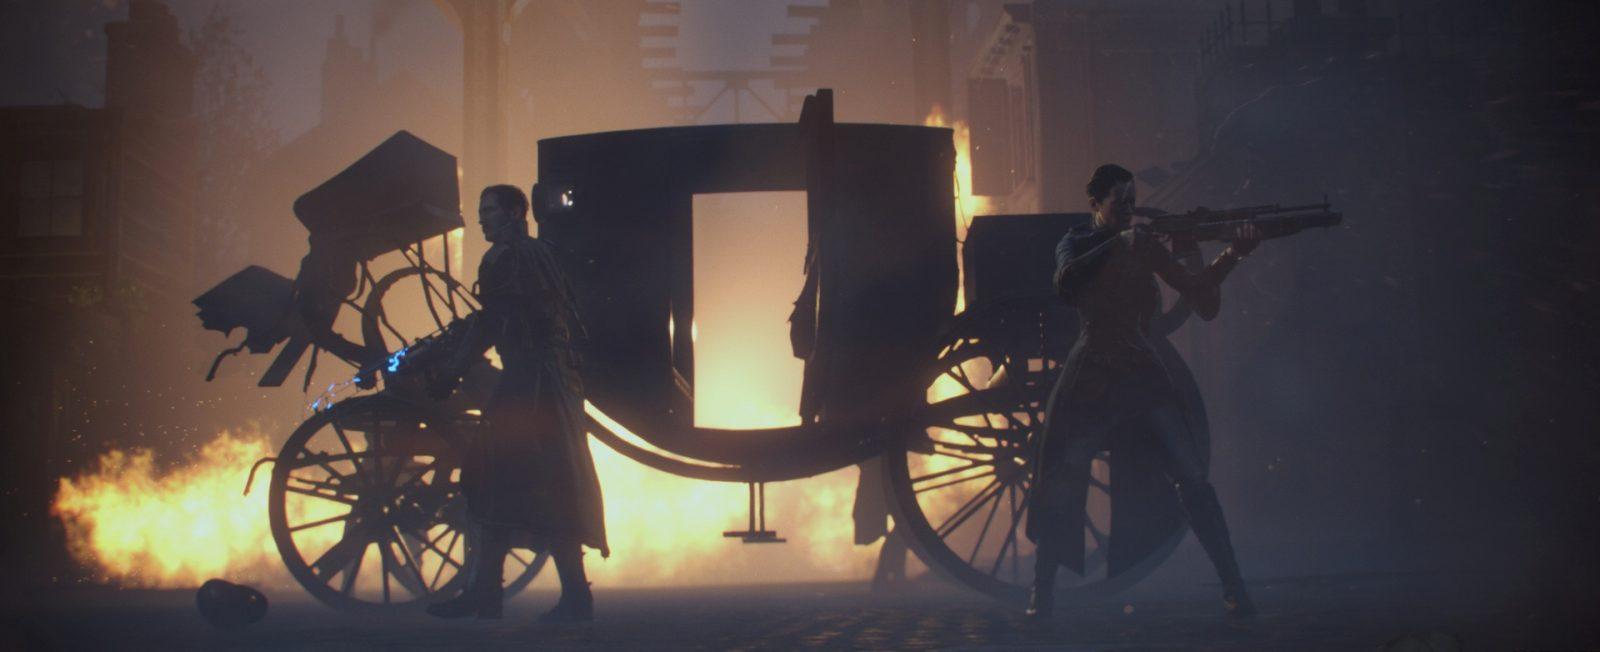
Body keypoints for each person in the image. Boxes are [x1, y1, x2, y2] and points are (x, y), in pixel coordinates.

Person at [1025, 164, 1260, 619]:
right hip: (1091, 375)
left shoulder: (1143, 244)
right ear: (1096, 204)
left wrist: (1234, 252)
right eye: (1120, 202)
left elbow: (1202, 299)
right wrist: (1119, 245)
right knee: (1061, 479)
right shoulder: (1077, 241)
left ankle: (1234, 587)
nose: (1129, 209)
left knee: (1193, 477)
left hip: (1140, 371)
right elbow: (1066, 283)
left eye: (1132, 202)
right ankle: (1042, 591)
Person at [425, 184, 608, 623]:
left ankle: (507, 594)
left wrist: (450, 370)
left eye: (489, 210)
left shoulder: (505, 259)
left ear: (512, 213)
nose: (482, 219)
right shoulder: (540, 254)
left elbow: (494, 323)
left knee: (500, 481)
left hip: (530, 388)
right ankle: (501, 592)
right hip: (549, 385)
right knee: (526, 485)